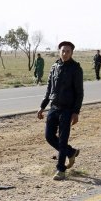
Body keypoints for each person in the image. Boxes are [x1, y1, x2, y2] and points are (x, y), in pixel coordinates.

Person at [37, 40, 84, 181]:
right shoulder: (54, 66)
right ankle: (71, 152)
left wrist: (76, 112)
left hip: (67, 110)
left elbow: (79, 93)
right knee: (49, 137)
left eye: (68, 51)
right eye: (63, 51)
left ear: (72, 53)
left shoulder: (76, 69)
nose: (65, 53)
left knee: (63, 141)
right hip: (54, 107)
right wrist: (42, 107)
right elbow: (49, 89)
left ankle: (61, 170)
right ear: (59, 51)